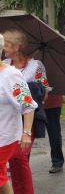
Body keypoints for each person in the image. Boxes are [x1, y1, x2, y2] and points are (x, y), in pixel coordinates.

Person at [3, 29, 51, 194]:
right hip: (9, 120)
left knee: (20, 158)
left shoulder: (35, 66)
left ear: (16, 47)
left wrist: (27, 89)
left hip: (29, 118)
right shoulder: (5, 64)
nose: (4, 48)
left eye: (7, 45)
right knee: (17, 161)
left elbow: (44, 91)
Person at [44, 94, 64, 173]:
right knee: (26, 133)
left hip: (51, 101)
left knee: (54, 133)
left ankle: (57, 162)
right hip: (31, 100)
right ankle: (20, 164)